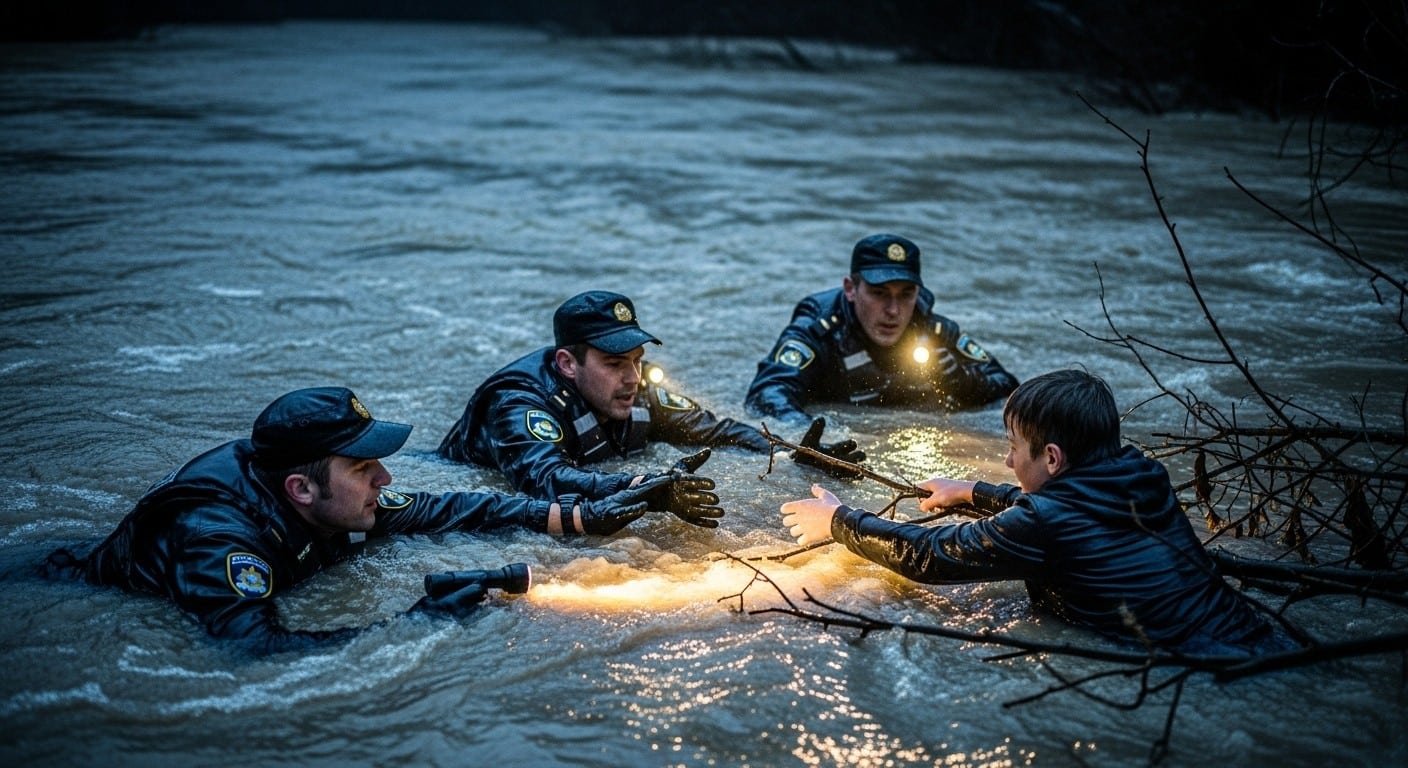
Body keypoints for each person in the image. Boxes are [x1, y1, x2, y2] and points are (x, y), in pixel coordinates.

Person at [41, 387, 668, 655]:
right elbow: (254, 651)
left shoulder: (327, 498)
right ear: (301, 490)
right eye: (366, 466)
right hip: (55, 594)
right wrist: (412, 626)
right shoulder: (220, 539)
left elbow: (445, 508)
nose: (386, 480)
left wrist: (580, 518)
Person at [780, 369, 1288, 656]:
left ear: (1051, 458)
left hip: (1199, 665)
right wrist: (972, 491)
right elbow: (1072, 503)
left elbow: (927, 556)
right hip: (1252, 637)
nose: (1006, 459)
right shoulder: (1141, 476)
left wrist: (840, 521)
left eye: (1013, 447)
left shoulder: (1043, 522)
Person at [437, 290, 864, 529]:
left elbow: (715, 430)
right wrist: (646, 484)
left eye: (637, 359)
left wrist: (790, 454)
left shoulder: (635, 386)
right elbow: (545, 482)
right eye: (614, 362)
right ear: (568, 364)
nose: (633, 377)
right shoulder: (519, 403)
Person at [745, 234, 1019, 426]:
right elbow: (766, 394)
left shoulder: (933, 329)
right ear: (851, 289)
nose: (893, 310)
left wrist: (963, 381)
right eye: (879, 293)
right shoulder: (820, 330)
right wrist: (812, 433)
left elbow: (1010, 390)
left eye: (906, 294)